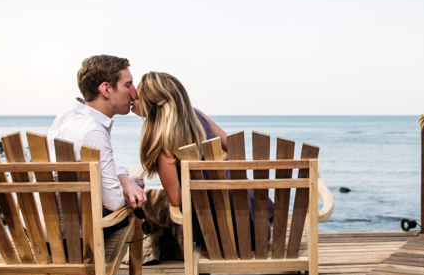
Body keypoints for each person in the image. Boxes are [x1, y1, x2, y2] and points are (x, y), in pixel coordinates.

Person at [132, 71, 271, 261]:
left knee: (151, 202)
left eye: (136, 97)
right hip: (254, 223)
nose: (132, 99)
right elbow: (234, 147)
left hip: (219, 231)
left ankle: (156, 251)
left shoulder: (163, 142)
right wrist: (213, 167)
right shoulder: (197, 115)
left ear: (152, 104)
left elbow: (177, 200)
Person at [48, 55, 147, 236]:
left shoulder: (67, 116)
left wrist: (124, 179)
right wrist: (130, 185)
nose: (134, 92)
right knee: (130, 211)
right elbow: (114, 202)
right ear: (106, 90)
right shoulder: (94, 131)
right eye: (128, 85)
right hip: (71, 234)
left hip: (42, 227)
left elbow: (104, 164)